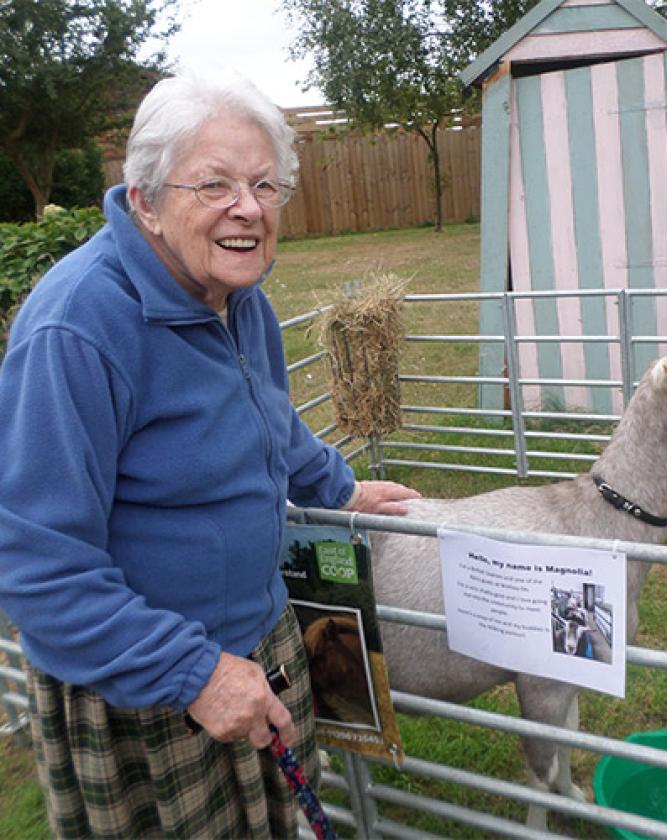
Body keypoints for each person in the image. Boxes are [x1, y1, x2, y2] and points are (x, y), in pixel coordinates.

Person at [0, 68, 419, 839]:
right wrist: (192, 672)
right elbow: (35, 565)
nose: (248, 208)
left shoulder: (237, 295)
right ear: (145, 202)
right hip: (141, 681)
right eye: (214, 185)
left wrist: (339, 488)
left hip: (261, 637)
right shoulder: (77, 331)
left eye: (266, 185)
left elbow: (269, 418)